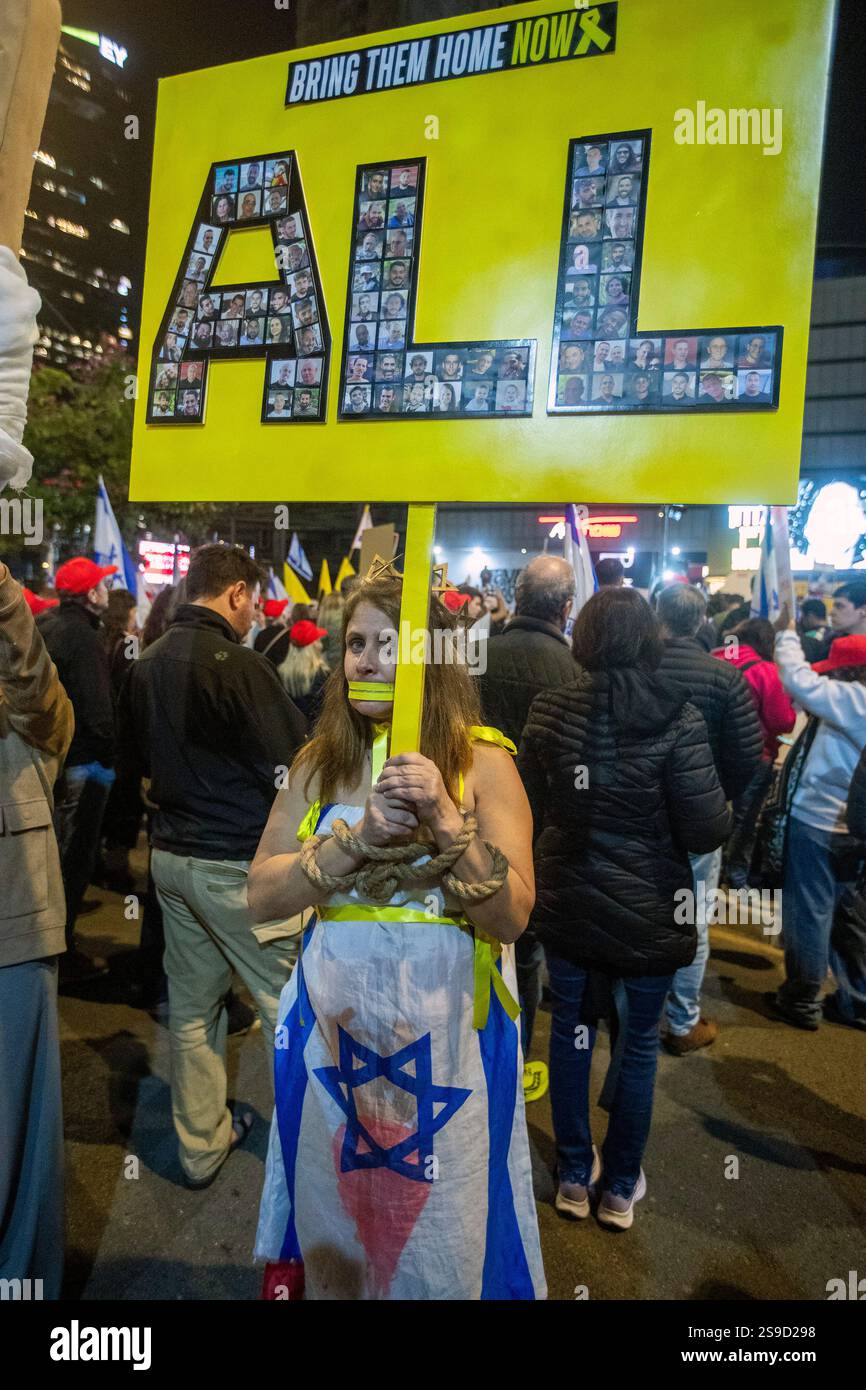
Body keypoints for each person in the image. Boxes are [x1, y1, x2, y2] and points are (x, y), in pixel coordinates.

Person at [249, 572, 545, 1299]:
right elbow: (260, 896)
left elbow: (511, 915)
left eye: (390, 643)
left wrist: (447, 821)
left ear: (431, 658)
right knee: (339, 1229)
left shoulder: (485, 763)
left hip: (450, 1052)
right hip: (333, 1048)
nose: (367, 660)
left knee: (447, 1236)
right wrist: (355, 842)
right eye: (355, 644)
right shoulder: (319, 762)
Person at [518, 588, 730, 1228]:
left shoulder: (551, 709)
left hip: (570, 903)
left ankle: (575, 1177)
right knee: (638, 1045)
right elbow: (705, 828)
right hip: (650, 911)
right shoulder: (680, 716)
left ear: (583, 638)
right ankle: (621, 1186)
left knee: (573, 1035)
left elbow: (526, 808)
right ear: (649, 639)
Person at [117, 545, 308, 1187]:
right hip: (236, 865)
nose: (255, 611)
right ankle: (319, 1152)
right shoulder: (244, 667)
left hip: (170, 859)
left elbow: (134, 760)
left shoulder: (145, 664)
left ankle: (201, 1148)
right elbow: (292, 763)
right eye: (252, 598)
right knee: (291, 1007)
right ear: (234, 594)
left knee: (194, 1010)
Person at [0, 562, 73, 1299]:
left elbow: (43, 702)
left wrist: (4, 601)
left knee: (13, 1135)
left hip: (11, 935)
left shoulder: (26, 712)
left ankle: (19, 1285)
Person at [476, 557, 577, 1068]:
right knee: (526, 949)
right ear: (566, 607)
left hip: (469, 829)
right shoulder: (576, 673)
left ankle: (479, 1059)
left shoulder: (478, 657)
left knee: (474, 937)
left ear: (516, 597)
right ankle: (513, 1062)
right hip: (542, 836)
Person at [654, 586, 764, 1053]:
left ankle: (634, 1007)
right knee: (692, 917)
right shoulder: (726, 678)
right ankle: (680, 1021)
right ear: (701, 622)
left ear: (659, 619)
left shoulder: (639, 671)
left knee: (640, 909)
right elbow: (747, 756)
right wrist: (718, 801)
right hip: (701, 821)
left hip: (643, 815)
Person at [766, 622, 866, 1030]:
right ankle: (856, 999)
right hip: (854, 828)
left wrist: (787, 634)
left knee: (809, 914)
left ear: (848, 673)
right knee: (848, 916)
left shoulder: (854, 699)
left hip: (822, 820)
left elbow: (797, 677)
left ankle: (802, 998)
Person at [38, 557, 118, 981]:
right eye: (102, 585)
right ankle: (61, 950)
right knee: (74, 858)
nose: (107, 590)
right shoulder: (83, 638)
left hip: (56, 760)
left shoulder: (50, 625)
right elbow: (97, 711)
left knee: (57, 856)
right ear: (91, 595)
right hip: (85, 763)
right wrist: (110, 754)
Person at [711, 617, 796, 890]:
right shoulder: (765, 671)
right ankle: (734, 874)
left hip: (709, 751)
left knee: (710, 809)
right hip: (754, 756)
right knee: (744, 818)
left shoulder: (714, 658)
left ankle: (710, 864)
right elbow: (783, 721)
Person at [276, 618, 330, 722]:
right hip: (315, 734)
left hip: (291, 733)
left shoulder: (280, 673)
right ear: (315, 645)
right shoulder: (321, 674)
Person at [798, 597, 831, 663]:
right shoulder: (834, 634)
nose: (801, 621)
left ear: (810, 616)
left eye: (803, 616)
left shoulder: (808, 637)